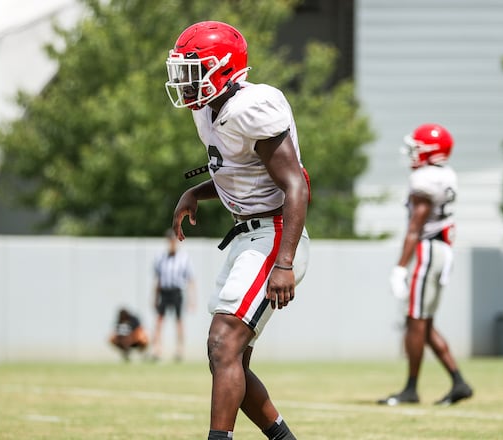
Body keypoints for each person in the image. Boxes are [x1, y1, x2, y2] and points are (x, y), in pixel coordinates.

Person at [165, 20, 310, 440]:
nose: (185, 83)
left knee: (223, 342)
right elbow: (240, 175)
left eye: (193, 71)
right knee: (227, 358)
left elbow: (295, 184)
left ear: (224, 69)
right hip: (251, 236)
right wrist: (197, 192)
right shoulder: (209, 111)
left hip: (275, 234)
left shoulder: (250, 108)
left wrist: (284, 261)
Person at [379, 123, 474, 406]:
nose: (412, 154)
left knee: (416, 322)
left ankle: (410, 389)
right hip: (441, 249)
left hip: (428, 250)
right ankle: (459, 383)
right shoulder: (445, 174)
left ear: (431, 152)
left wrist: (399, 266)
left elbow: (415, 227)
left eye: (417, 149)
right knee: (423, 323)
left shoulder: (425, 179)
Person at [150, 228, 196, 362]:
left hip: (176, 292)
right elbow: (157, 279)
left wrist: (192, 300)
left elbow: (191, 280)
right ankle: (157, 349)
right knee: (159, 320)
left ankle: (179, 350)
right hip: (164, 291)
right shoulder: (160, 257)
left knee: (179, 321)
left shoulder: (184, 258)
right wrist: (155, 297)